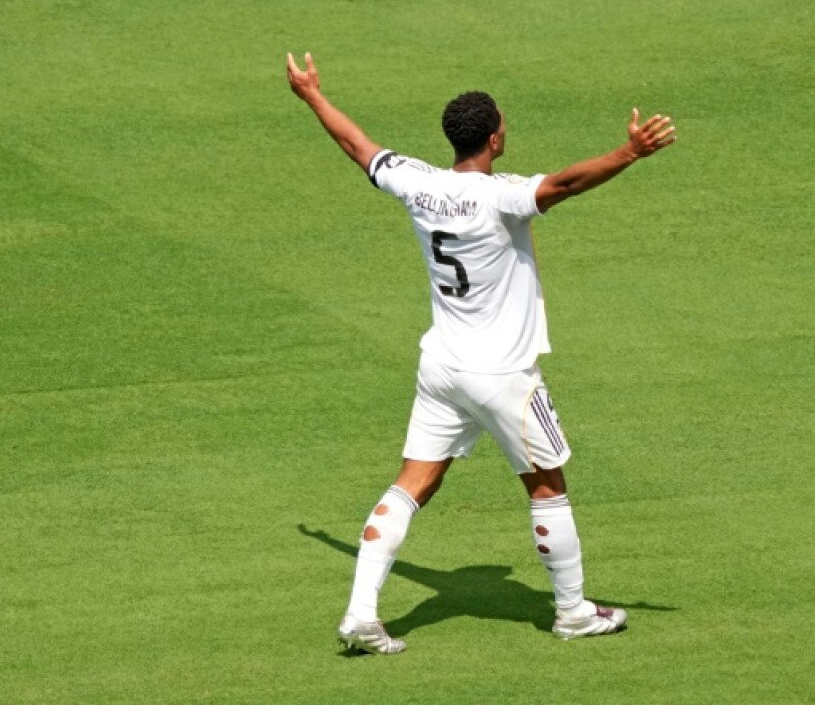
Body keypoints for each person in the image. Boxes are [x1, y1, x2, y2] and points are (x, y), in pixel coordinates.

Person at [286, 51, 676, 654]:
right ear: (495, 137)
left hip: (441, 366)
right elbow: (565, 184)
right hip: (503, 376)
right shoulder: (503, 196)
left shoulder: (419, 183)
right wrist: (630, 153)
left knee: (413, 483)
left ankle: (361, 613)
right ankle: (572, 611)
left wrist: (313, 95)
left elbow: (358, 146)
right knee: (548, 487)